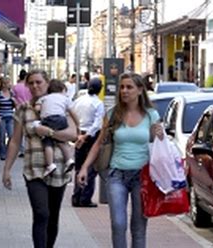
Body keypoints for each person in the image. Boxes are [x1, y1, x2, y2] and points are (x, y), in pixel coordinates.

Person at [77, 73, 164, 248]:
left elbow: (158, 146)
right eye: (122, 87)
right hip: (116, 175)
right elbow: (99, 144)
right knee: (118, 224)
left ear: (140, 90)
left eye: (129, 87)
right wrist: (84, 167)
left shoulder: (151, 115)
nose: (124, 91)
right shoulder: (112, 114)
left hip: (143, 176)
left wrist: (160, 136)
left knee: (138, 228)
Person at [2, 70, 78, 248]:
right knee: (41, 213)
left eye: (39, 82)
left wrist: (50, 132)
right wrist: (6, 169)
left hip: (58, 168)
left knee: (52, 216)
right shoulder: (23, 109)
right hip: (34, 169)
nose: (35, 86)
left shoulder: (60, 103)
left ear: (47, 83)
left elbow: (73, 134)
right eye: (31, 83)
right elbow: (15, 141)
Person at [32, 79, 78, 176]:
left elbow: (37, 108)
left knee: (47, 141)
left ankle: (50, 164)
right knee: (62, 141)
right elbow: (73, 113)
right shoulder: (65, 99)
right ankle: (69, 159)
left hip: (48, 120)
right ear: (62, 89)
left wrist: (41, 112)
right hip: (62, 119)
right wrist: (78, 125)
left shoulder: (45, 98)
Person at [71, 77, 105, 208]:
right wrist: (87, 136)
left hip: (80, 134)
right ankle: (85, 198)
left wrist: (79, 134)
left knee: (79, 167)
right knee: (90, 168)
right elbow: (98, 123)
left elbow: (73, 115)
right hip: (91, 137)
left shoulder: (79, 100)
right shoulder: (98, 103)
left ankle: (76, 196)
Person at [0, 77, 17, 160]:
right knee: (2, 136)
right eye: (6, 83)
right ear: (3, 84)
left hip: (10, 117)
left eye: (8, 83)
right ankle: (2, 154)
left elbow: (16, 105)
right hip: (2, 117)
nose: (8, 85)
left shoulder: (11, 94)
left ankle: (8, 151)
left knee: (11, 135)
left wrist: (14, 100)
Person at [12, 69, 32, 157]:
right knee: (28, 129)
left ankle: (22, 149)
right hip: (30, 108)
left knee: (18, 130)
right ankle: (27, 147)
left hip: (19, 108)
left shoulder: (15, 87)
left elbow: (12, 97)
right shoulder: (29, 87)